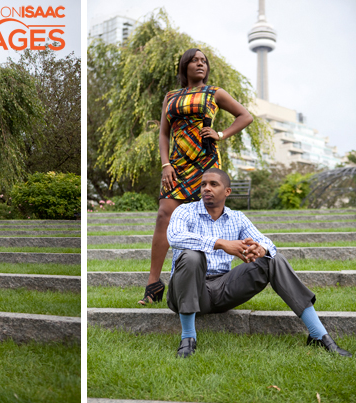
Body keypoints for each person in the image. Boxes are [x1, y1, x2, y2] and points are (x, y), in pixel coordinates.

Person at [167, 168, 351, 358]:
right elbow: (174, 237)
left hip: (221, 289)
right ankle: (188, 338)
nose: (206, 188)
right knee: (192, 256)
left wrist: (261, 249)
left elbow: (267, 242)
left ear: (227, 192)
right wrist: (220, 244)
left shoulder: (237, 218)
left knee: (273, 259)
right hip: (183, 290)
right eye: (203, 184)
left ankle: (319, 335)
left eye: (213, 184)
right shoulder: (184, 211)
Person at [139, 48, 255, 305]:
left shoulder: (214, 93)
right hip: (177, 165)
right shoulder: (171, 96)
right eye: (194, 60)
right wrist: (165, 164)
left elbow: (245, 116)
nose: (200, 64)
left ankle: (213, 279)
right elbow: (164, 134)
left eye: (204, 61)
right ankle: (154, 283)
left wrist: (221, 134)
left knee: (209, 218)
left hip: (206, 164)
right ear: (184, 66)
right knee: (163, 215)